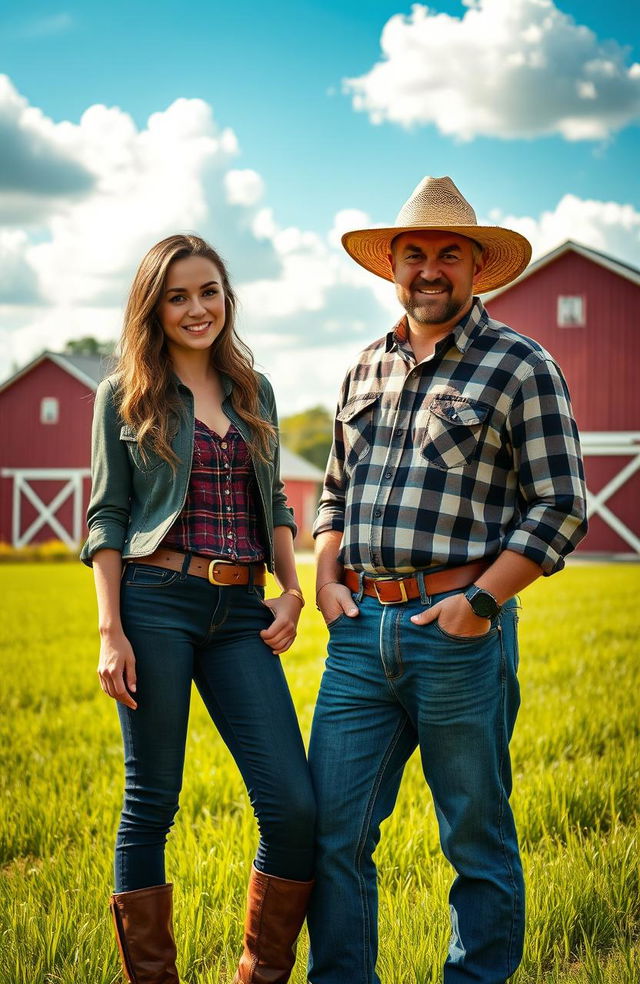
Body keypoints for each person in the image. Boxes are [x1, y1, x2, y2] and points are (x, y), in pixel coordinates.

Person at [308, 176, 588, 984]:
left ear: (476, 269)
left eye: (448, 255)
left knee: (474, 836)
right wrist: (328, 578)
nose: (429, 269)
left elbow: (563, 505)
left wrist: (477, 603)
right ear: (392, 265)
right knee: (333, 834)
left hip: (458, 634)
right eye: (415, 254)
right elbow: (334, 492)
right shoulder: (364, 368)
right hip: (359, 634)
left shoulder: (520, 365)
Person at [81, 234, 315, 984]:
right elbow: (107, 518)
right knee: (153, 802)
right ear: (154, 305)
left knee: (292, 809)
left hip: (240, 611)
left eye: (208, 291)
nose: (196, 308)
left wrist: (292, 587)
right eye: (177, 296)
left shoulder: (256, 390)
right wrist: (111, 630)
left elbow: (276, 499)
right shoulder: (123, 392)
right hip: (155, 606)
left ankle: (260, 976)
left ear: (226, 297)